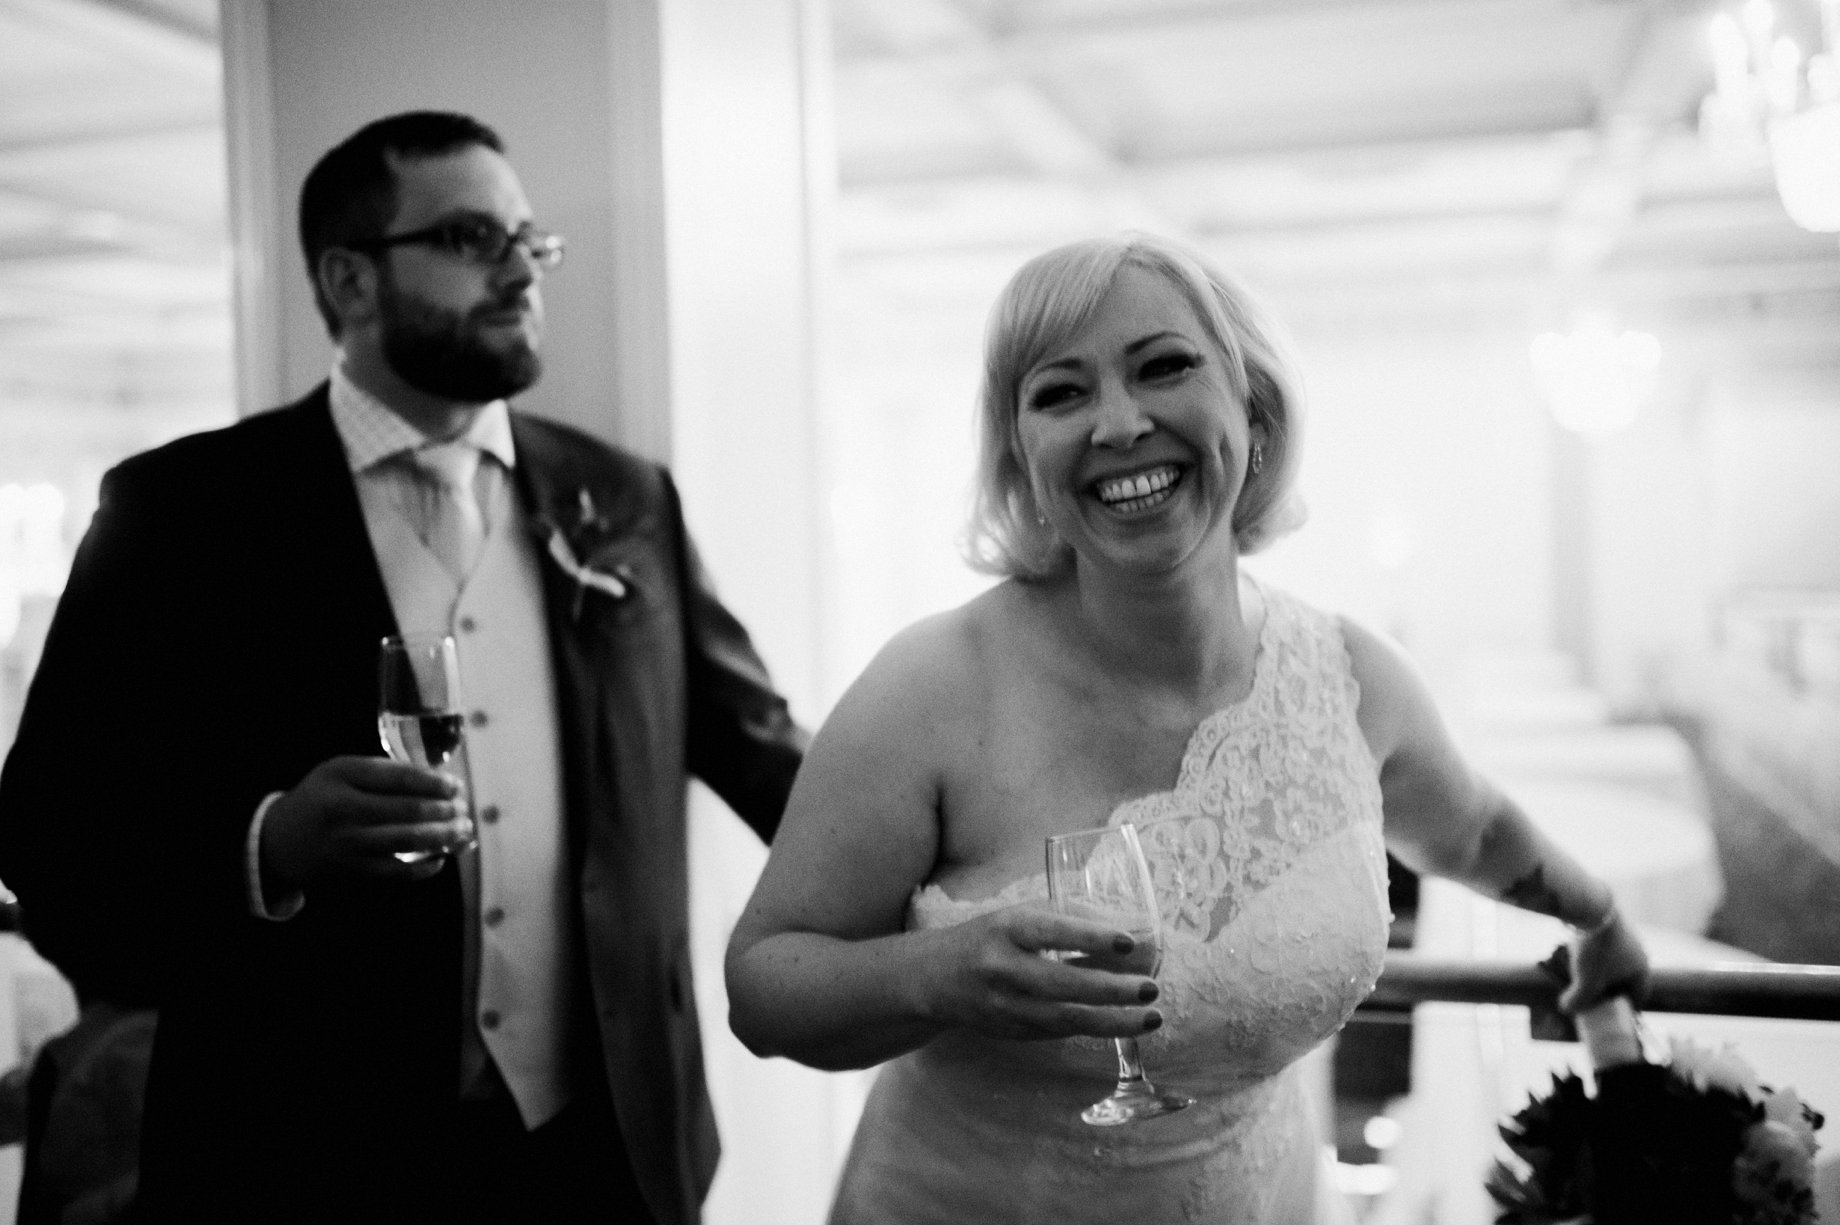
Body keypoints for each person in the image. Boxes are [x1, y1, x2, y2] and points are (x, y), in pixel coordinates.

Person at [724, 233, 1650, 1223]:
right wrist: (940, 973)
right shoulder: (933, 688)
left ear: (1251, 406)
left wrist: (1596, 914)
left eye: (1163, 367)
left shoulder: (1351, 680)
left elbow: (1468, 829)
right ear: (1018, 452)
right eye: (1061, 392)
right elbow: (765, 983)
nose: (1118, 425)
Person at [0, 111, 805, 1225]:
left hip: (604, 1149)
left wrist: (946, 881)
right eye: (475, 238)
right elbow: (49, 836)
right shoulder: (182, 513)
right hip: (301, 1158)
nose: (523, 268)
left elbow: (764, 753)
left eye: (531, 240)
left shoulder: (622, 496)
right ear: (350, 279)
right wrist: (268, 843)